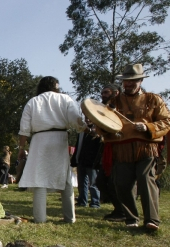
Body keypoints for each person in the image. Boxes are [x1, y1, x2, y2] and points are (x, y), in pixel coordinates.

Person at [97, 64, 170, 231]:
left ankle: (152, 220)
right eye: (125, 81)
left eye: (132, 81)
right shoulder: (114, 102)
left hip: (146, 148)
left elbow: (167, 121)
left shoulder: (153, 99)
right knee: (122, 183)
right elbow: (103, 123)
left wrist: (148, 127)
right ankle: (131, 218)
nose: (128, 84)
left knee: (146, 180)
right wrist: (104, 128)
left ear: (141, 80)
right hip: (121, 149)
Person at [17, 76, 86, 223]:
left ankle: (40, 218)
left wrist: (21, 148)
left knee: (40, 179)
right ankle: (70, 218)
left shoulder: (33, 102)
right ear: (56, 86)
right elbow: (77, 120)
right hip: (59, 139)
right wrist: (84, 128)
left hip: (39, 141)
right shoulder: (65, 99)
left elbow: (24, 130)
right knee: (65, 178)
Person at [96, 84, 126, 221]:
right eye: (102, 93)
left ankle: (123, 211)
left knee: (117, 182)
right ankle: (119, 209)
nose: (103, 95)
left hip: (123, 149)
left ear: (116, 92)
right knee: (101, 181)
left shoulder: (123, 105)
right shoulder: (104, 109)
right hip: (108, 148)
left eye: (106, 92)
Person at [71, 118, 102, 208]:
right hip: (81, 160)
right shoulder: (81, 131)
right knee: (81, 183)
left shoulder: (97, 131)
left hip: (92, 162)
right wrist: (75, 159)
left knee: (93, 184)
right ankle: (82, 200)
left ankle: (95, 202)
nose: (88, 119)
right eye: (86, 117)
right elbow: (78, 145)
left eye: (89, 118)